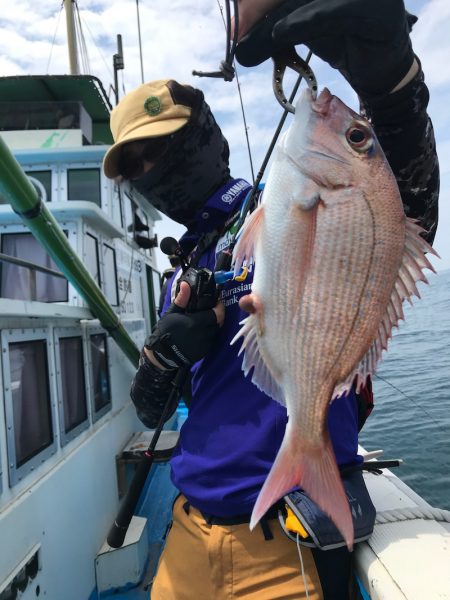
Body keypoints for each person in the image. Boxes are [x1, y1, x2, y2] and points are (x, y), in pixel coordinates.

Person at [102, 1, 439, 597]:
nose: (153, 169)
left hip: (287, 547)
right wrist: (165, 353)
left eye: (166, 145)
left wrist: (395, 86)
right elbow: (153, 414)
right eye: (136, 165)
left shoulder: (276, 208)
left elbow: (397, 216)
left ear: (204, 135)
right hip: (186, 538)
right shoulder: (176, 273)